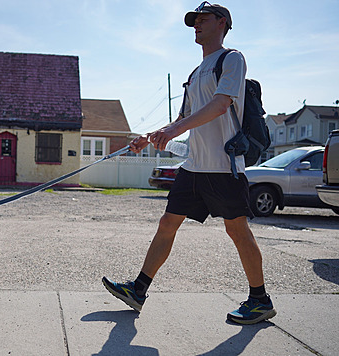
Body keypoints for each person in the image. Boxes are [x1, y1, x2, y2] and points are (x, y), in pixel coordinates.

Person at [102, 2, 276, 325]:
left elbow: (221, 105)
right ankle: (138, 290)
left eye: (203, 19)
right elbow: (184, 117)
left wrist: (174, 129)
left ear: (222, 23)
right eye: (194, 21)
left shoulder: (232, 59)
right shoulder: (195, 74)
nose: (196, 25)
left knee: (237, 230)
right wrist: (152, 135)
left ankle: (260, 299)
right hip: (194, 167)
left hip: (223, 166)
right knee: (167, 224)